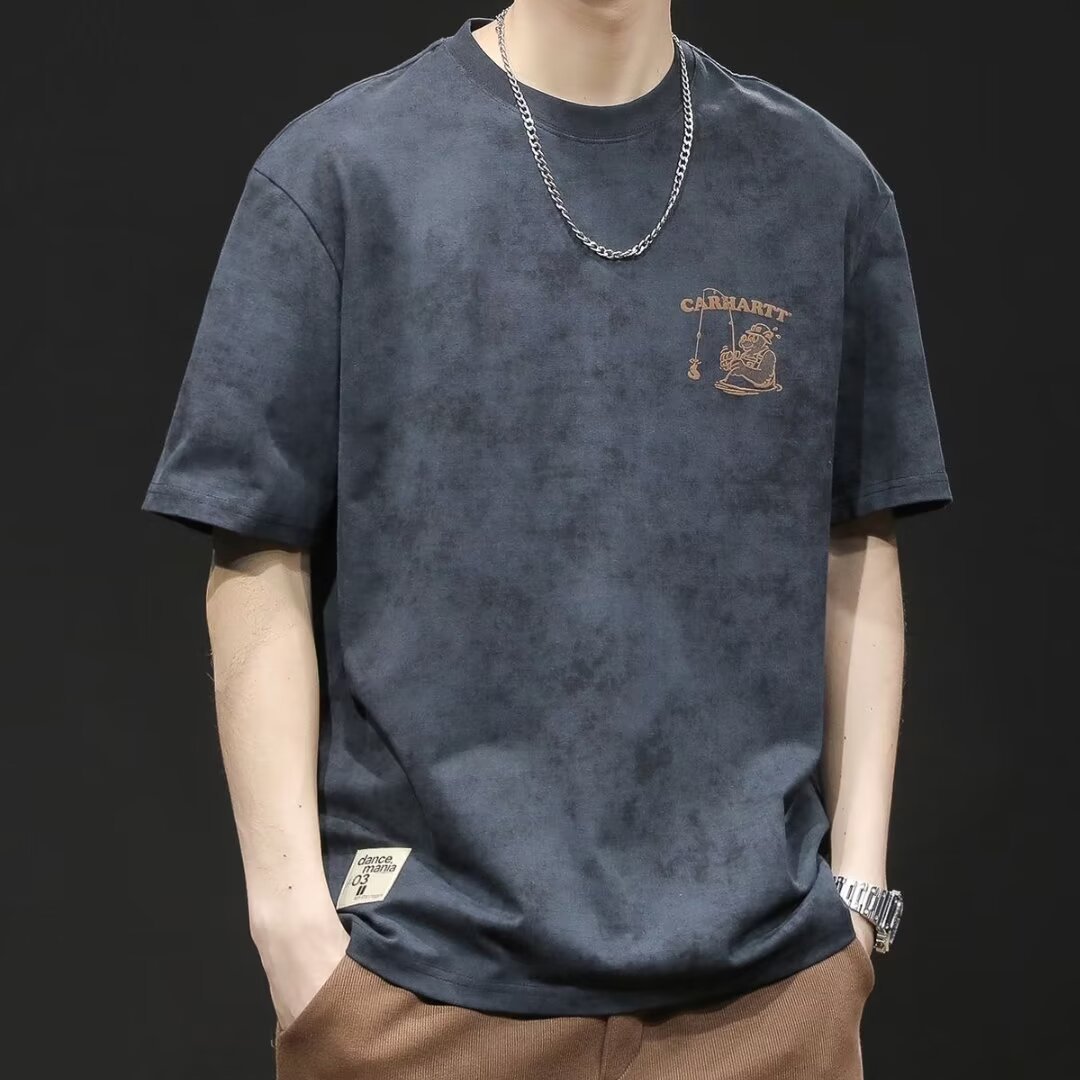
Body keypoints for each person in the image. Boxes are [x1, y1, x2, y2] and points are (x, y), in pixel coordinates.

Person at [140, 3, 954, 1078]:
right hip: (421, 999)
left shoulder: (819, 185)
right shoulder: (341, 173)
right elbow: (256, 552)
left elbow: (857, 540)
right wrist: (294, 930)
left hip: (765, 1007)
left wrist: (856, 896)